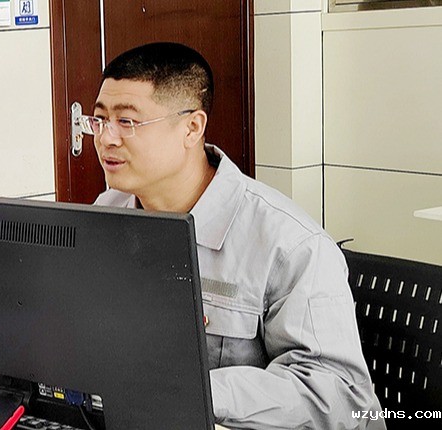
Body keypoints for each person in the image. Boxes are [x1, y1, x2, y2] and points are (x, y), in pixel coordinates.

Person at [78, 42, 386, 429]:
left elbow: (337, 394)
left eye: (127, 122)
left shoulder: (290, 244)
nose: (106, 138)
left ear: (192, 128)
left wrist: (194, 392)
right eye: (99, 120)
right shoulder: (108, 211)